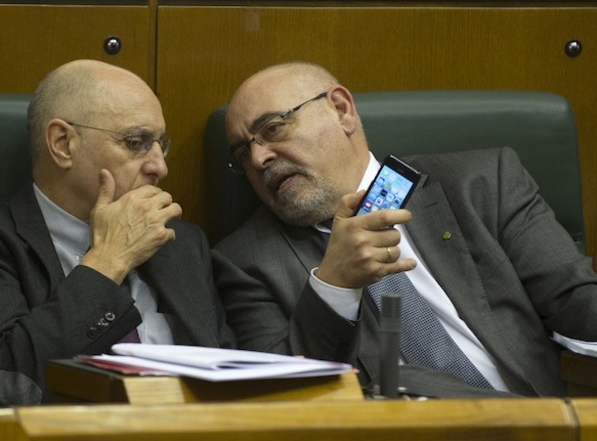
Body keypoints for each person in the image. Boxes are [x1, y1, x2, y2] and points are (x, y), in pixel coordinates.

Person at [213, 61, 597, 398]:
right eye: (243, 154)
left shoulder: (481, 183)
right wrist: (334, 286)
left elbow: (579, 307)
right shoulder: (244, 261)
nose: (259, 159)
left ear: (341, 110)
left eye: (275, 128)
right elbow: (281, 399)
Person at [0, 59, 236, 441]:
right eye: (136, 143)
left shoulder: (182, 246)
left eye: (159, 144)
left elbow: (229, 383)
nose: (159, 167)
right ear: (63, 144)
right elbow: (11, 383)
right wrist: (109, 260)